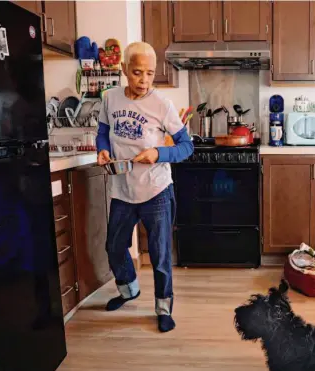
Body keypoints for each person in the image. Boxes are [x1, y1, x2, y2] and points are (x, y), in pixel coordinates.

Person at [95, 41, 193, 332]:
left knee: (160, 255)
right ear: (124, 69)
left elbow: (187, 147)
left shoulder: (162, 104)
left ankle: (163, 308)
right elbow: (103, 132)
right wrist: (101, 149)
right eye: (137, 73)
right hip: (122, 190)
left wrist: (158, 154)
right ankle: (129, 290)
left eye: (150, 73)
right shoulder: (110, 99)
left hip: (156, 190)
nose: (144, 80)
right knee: (114, 247)